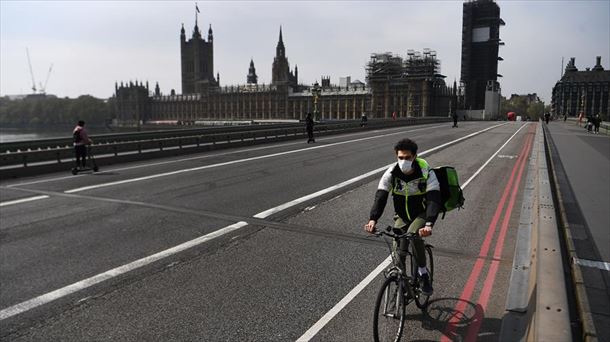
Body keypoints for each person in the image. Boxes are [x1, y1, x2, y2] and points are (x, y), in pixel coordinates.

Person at [364, 138, 442, 295]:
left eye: (407, 157)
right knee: (398, 252)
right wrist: (373, 219)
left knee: (413, 235)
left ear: (414, 156)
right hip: (401, 215)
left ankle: (423, 274)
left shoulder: (427, 172)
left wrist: (429, 224)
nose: (403, 161)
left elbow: (434, 199)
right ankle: (401, 288)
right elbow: (381, 196)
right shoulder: (391, 172)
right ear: (396, 156)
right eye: (400, 157)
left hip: (421, 213)